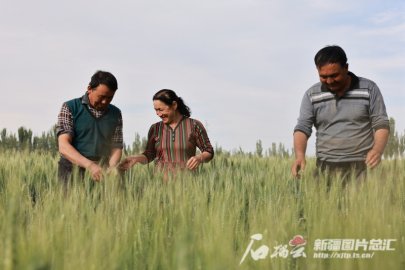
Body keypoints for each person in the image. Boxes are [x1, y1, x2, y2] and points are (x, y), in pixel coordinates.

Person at [291, 45, 390, 184]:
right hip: (324, 170)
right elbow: (302, 128)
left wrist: (377, 150)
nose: (330, 81)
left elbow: (381, 124)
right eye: (323, 76)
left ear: (346, 68)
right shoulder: (311, 95)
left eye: (334, 75)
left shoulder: (369, 89)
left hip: (363, 170)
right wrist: (300, 155)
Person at [119, 89, 214, 173]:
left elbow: (208, 151)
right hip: (160, 185)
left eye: (160, 109)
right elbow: (149, 155)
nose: (158, 114)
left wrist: (199, 158)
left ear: (174, 105)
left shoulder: (194, 125)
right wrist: (135, 159)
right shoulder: (155, 128)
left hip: (188, 184)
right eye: (156, 110)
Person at [57, 70, 123, 184]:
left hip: (102, 173)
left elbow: (116, 146)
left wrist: (111, 168)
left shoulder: (116, 113)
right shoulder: (70, 107)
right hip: (71, 171)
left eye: (110, 97)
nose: (104, 101)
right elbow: (63, 146)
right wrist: (90, 165)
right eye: (101, 96)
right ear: (89, 89)